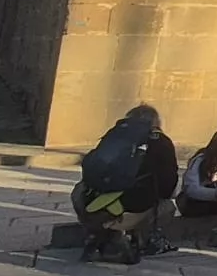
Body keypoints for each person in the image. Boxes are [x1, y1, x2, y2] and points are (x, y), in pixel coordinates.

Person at [73, 104, 178, 263]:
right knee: (167, 206)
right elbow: (167, 185)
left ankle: (101, 233)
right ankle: (137, 239)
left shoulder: (115, 135)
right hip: (133, 206)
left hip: (91, 202)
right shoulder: (160, 141)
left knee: (80, 190)